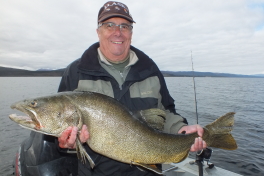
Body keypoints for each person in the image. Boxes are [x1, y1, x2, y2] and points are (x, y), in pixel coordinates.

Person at [57, 1, 206, 176]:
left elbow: (165, 111)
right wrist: (67, 144)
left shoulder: (150, 70)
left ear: (131, 33)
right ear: (98, 31)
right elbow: (59, 134)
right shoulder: (75, 72)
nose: (117, 32)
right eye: (109, 25)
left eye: (125, 26)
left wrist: (181, 129)